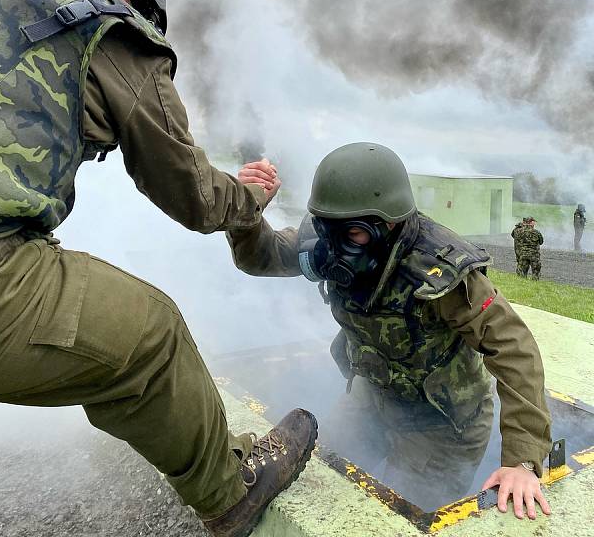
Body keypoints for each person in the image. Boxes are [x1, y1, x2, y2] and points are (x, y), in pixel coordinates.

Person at [0, 0, 317, 537]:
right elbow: (194, 197)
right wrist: (249, 197)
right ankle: (231, 493)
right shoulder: (107, 25)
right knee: (152, 334)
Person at [229, 143, 553, 521]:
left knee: (397, 516)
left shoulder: (438, 270)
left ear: (390, 224)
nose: (336, 247)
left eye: (354, 233)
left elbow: (513, 347)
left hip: (443, 424)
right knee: (317, 479)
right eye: (327, 228)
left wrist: (522, 461)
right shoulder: (329, 237)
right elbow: (260, 255)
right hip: (373, 397)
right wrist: (247, 208)